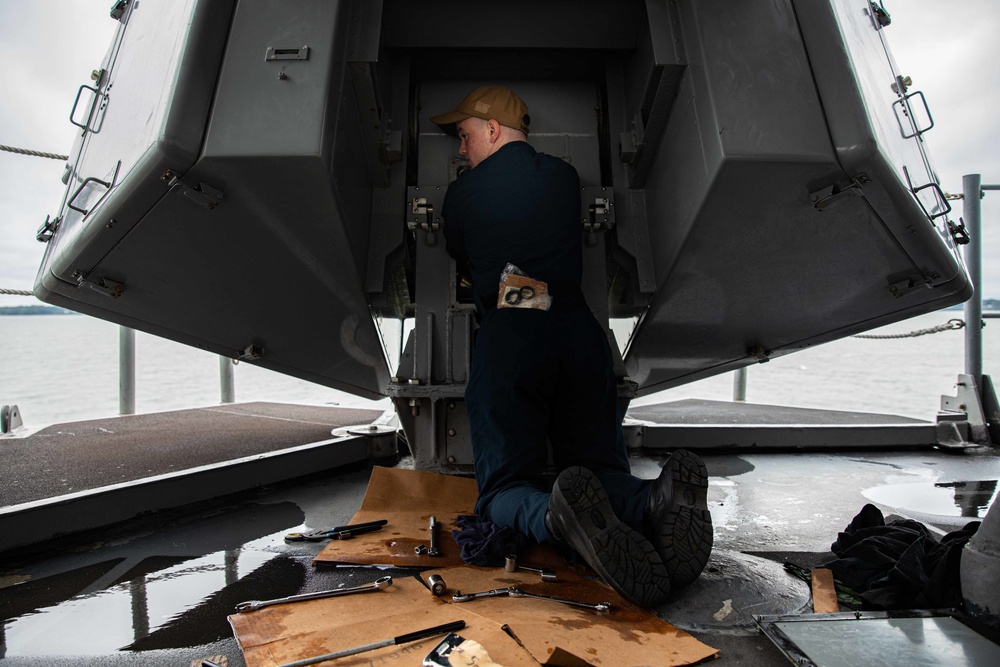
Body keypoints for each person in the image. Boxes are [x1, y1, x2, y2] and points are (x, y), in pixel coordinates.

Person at [431, 86, 713, 607]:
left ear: (492, 129)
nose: (461, 149)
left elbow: (460, 253)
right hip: (579, 330)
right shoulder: (563, 179)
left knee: (501, 488)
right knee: (602, 468)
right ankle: (655, 499)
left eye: (465, 136)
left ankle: (554, 517)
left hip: (516, 324)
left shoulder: (463, 193)